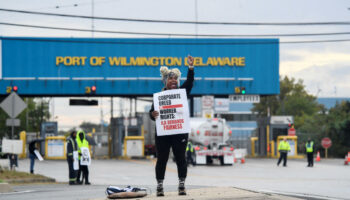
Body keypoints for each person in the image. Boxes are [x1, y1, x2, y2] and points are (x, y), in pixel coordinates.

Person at [149, 55, 194, 196]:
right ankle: (160, 185)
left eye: (175, 78)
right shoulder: (159, 97)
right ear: (165, 81)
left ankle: (182, 185)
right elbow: (151, 113)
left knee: (181, 157)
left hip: (179, 132)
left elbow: (190, 82)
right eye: (170, 78)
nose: (173, 80)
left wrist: (191, 67)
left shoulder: (182, 93)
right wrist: (153, 114)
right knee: (162, 159)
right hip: (163, 133)